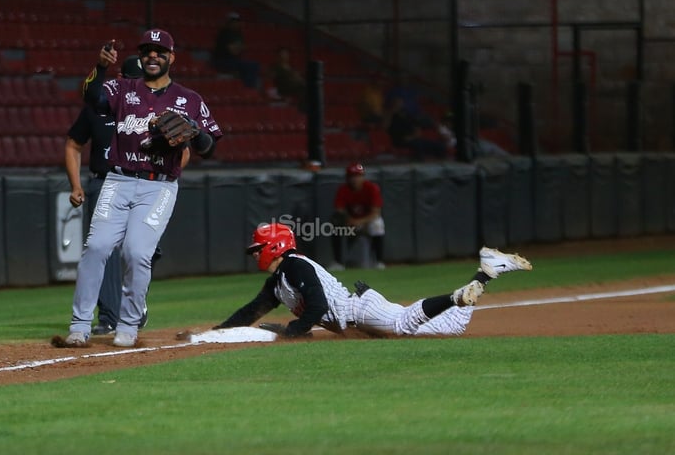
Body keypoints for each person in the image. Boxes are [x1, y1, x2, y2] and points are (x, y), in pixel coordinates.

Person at [62, 29, 223, 348]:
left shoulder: (189, 99)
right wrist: (100, 66)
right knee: (96, 248)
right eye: (148, 50)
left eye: (160, 51)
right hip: (118, 180)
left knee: (137, 253)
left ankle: (128, 324)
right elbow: (92, 96)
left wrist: (192, 133)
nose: (153, 56)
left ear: (171, 58)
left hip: (159, 187)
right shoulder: (122, 88)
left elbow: (209, 146)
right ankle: (79, 325)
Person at [214, 222, 532, 338]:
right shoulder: (278, 282)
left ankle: (455, 297)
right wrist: (215, 332)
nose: (254, 254)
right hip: (359, 317)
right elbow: (253, 310)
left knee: (403, 325)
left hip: (361, 310)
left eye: (257, 249)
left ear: (274, 247)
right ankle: (487, 270)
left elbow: (318, 304)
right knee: (451, 328)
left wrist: (293, 331)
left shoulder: (296, 267)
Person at [65, 55, 190, 336]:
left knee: (140, 251)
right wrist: (75, 185)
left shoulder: (159, 111)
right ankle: (107, 317)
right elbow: (73, 143)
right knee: (99, 249)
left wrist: (165, 176)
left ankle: (132, 307)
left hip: (150, 185)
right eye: (124, 76)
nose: (123, 81)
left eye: (130, 78)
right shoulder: (98, 109)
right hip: (107, 181)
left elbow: (184, 152)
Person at [329, 162, 385, 271]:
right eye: (352, 176)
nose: (355, 179)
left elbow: (376, 212)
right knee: (335, 224)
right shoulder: (344, 189)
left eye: (358, 176)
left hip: (366, 221)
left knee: (377, 224)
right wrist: (349, 220)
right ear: (348, 178)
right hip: (350, 221)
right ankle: (338, 262)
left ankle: (379, 262)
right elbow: (339, 210)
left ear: (363, 177)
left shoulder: (371, 188)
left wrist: (359, 222)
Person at [386, 95, 448, 161]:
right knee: (418, 145)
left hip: (413, 138)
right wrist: (391, 112)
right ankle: (419, 163)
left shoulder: (405, 114)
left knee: (439, 146)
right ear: (392, 104)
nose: (399, 105)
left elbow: (416, 125)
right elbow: (385, 127)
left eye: (400, 103)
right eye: (397, 103)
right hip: (400, 139)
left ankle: (441, 163)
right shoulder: (389, 114)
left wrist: (416, 133)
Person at [210, 12, 261, 90]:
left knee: (253, 65)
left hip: (234, 60)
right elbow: (233, 51)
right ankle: (249, 89)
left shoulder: (238, 34)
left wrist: (237, 48)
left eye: (237, 21)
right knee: (251, 66)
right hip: (222, 61)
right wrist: (238, 48)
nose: (236, 23)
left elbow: (240, 49)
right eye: (234, 21)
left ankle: (248, 89)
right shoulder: (224, 33)